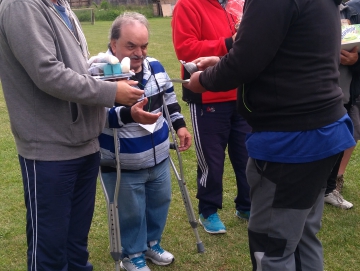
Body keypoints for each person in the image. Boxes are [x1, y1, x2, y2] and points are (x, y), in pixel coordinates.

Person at [184, 0, 355, 270]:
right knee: (300, 239)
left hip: (292, 142)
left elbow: (246, 61)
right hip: (325, 130)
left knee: (272, 249)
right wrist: (222, 60)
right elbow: (285, 50)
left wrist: (203, 81)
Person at [0, 1, 160, 270]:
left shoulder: (61, 5)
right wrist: (111, 93)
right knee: (49, 250)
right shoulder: (22, 5)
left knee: (76, 245)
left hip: (85, 143)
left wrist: (102, 73)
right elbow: (47, 73)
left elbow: (77, 70)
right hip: (51, 150)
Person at [98, 12, 192, 271]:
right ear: (114, 44)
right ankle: (131, 254)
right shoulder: (99, 73)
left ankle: (151, 243)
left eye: (144, 45)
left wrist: (180, 125)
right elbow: (95, 117)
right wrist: (128, 114)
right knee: (130, 212)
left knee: (160, 203)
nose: (139, 53)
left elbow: (169, 99)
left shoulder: (156, 67)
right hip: (122, 162)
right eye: (131, 46)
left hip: (159, 157)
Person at [171, 0, 251, 234]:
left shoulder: (239, 4)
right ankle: (208, 210)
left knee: (247, 155)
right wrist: (229, 43)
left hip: (241, 91)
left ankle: (247, 205)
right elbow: (185, 50)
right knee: (212, 159)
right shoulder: (187, 5)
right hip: (206, 94)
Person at [324, 1, 360, 209]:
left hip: (344, 93)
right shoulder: (312, 8)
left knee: (340, 140)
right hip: (317, 93)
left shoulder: (350, 12)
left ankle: (329, 189)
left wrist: (355, 59)